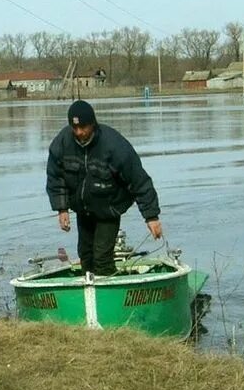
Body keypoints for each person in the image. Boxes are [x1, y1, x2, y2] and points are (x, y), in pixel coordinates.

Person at [46, 99, 162, 276]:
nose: (79, 132)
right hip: (83, 210)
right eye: (75, 128)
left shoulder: (114, 145)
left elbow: (139, 180)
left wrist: (151, 217)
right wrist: (62, 209)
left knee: (101, 257)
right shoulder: (63, 142)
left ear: (92, 124)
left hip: (109, 208)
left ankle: (109, 292)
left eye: (83, 127)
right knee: (86, 256)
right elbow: (56, 177)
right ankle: (90, 295)